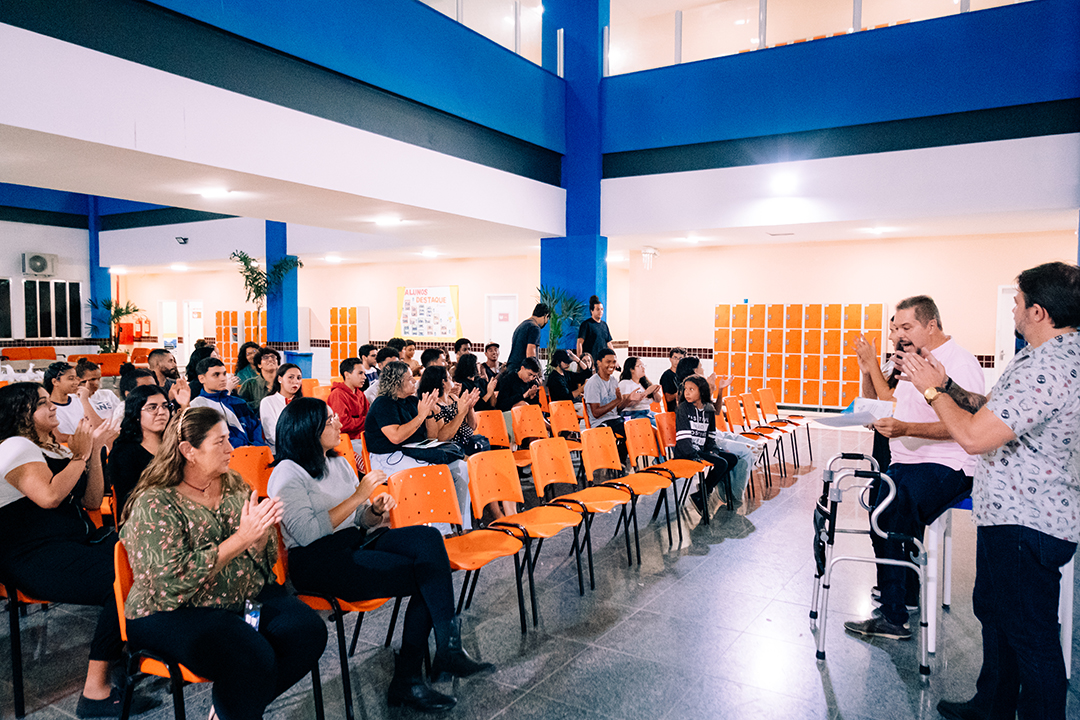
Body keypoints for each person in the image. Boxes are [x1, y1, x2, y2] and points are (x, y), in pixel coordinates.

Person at [903, 263, 1080, 720]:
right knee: (998, 615)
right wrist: (946, 385)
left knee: (1030, 633)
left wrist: (930, 393)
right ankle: (994, 704)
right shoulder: (1047, 356)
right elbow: (993, 412)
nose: (1014, 309)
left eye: (1019, 302)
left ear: (1039, 312)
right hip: (1014, 514)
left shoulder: (1049, 367)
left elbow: (974, 438)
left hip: (1028, 519)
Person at [268, 398, 492, 713]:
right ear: (307, 428)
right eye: (329, 420)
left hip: (355, 540)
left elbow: (359, 518)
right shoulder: (287, 474)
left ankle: (447, 645)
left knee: (427, 539)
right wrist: (360, 495)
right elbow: (308, 535)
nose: (337, 423)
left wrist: (373, 510)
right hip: (318, 560)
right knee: (426, 574)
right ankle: (411, 677)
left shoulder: (338, 462)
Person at [119, 407, 327, 720]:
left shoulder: (233, 483)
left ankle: (235, 707)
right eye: (220, 442)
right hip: (171, 613)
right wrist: (241, 540)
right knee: (249, 654)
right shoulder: (155, 502)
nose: (231, 449)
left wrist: (259, 539)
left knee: (307, 631)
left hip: (237, 598)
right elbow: (168, 584)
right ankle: (239, 706)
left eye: (229, 438)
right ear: (188, 451)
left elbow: (265, 559)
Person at [844, 295, 984, 642]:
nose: (899, 335)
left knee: (895, 506)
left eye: (907, 327)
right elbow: (889, 405)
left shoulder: (959, 363)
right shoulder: (911, 361)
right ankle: (902, 594)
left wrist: (907, 429)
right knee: (877, 505)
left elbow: (966, 423)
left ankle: (894, 617)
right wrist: (870, 370)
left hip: (949, 464)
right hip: (908, 460)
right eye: (897, 328)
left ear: (932, 325)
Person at [0, 383, 137, 718]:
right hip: (31, 555)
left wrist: (93, 454)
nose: (53, 408)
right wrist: (80, 455)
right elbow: (49, 497)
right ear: (22, 414)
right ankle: (95, 692)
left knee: (145, 563)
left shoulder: (56, 447)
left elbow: (91, 500)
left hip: (74, 542)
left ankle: (129, 657)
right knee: (118, 582)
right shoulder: (15, 447)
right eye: (42, 403)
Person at [363, 361, 471, 523]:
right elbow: (396, 437)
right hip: (387, 457)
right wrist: (421, 415)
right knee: (436, 472)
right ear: (397, 382)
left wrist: (428, 414)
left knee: (460, 467)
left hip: (413, 452)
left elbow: (432, 438)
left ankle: (463, 523)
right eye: (409, 379)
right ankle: (440, 530)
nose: (414, 381)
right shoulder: (383, 403)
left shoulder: (412, 402)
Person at [674, 356, 756, 505]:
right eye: (701, 367)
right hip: (692, 448)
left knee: (732, 457)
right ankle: (709, 492)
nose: (704, 370)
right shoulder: (685, 402)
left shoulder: (703, 402)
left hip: (704, 443)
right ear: (694, 371)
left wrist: (719, 389)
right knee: (726, 461)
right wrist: (697, 453)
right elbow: (685, 439)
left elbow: (712, 415)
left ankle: (706, 490)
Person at [675, 375, 739, 515]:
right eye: (685, 389)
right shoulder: (684, 408)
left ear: (702, 391)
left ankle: (703, 491)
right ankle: (702, 494)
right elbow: (683, 439)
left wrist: (713, 450)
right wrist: (694, 454)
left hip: (702, 450)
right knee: (721, 463)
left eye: (691, 389)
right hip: (687, 452)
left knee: (732, 458)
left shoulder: (709, 409)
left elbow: (710, 435)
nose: (687, 393)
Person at [108, 384, 172, 518]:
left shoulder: (174, 444)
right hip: (143, 518)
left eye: (165, 406)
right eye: (152, 407)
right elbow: (131, 498)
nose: (161, 412)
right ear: (136, 413)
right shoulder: (124, 451)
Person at [855, 318, 901, 471]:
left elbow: (889, 400)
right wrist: (867, 373)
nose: (889, 337)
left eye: (893, 330)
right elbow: (872, 400)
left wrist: (872, 363)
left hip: (899, 443)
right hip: (882, 439)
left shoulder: (914, 366)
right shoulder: (892, 363)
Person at [190, 357, 263, 448]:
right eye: (216, 375)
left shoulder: (238, 402)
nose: (223, 378)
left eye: (224, 374)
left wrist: (257, 447)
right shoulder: (198, 406)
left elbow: (256, 427)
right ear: (202, 379)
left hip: (253, 454)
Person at [419, 365, 481, 448]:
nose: (452, 380)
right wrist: (461, 414)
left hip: (471, 442)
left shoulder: (453, 397)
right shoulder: (433, 406)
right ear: (443, 382)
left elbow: (472, 426)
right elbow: (442, 438)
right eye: (449, 377)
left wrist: (469, 408)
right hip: (454, 448)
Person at [583, 349, 640, 437]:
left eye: (614, 362)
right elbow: (596, 413)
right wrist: (616, 401)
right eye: (608, 362)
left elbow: (616, 410)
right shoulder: (593, 383)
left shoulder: (613, 380)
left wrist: (627, 400)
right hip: (600, 424)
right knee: (630, 436)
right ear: (599, 363)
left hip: (615, 420)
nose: (612, 365)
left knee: (637, 431)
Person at [328, 357, 371, 464]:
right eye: (360, 373)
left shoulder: (360, 394)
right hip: (346, 440)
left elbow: (370, 416)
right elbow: (343, 424)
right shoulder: (338, 394)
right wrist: (366, 421)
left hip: (362, 438)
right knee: (368, 461)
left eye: (364, 373)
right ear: (347, 375)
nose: (364, 377)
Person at [259, 362, 304, 453]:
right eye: (291, 377)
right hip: (279, 452)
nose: (296, 381)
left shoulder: (303, 403)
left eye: (299, 378)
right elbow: (272, 435)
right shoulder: (268, 402)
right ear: (280, 379)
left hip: (302, 451)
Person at [75, 357, 120, 427]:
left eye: (99, 379)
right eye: (92, 379)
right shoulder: (75, 400)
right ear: (79, 380)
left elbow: (120, 417)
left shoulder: (108, 394)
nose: (97, 383)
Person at [618, 356, 663, 423]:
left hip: (647, 412)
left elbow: (658, 400)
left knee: (664, 421)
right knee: (656, 426)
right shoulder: (625, 383)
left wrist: (654, 392)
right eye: (639, 366)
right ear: (631, 369)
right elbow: (627, 403)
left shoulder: (644, 384)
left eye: (643, 365)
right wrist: (646, 392)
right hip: (633, 414)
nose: (643, 368)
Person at [506, 304, 549, 372]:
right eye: (547, 319)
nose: (546, 322)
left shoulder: (521, 326)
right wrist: (535, 372)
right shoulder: (534, 328)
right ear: (546, 316)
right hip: (521, 371)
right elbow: (530, 353)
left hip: (511, 368)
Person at [577, 295, 613, 362]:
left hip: (603, 361)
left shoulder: (604, 325)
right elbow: (579, 342)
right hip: (590, 361)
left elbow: (609, 343)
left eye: (602, 309)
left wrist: (614, 357)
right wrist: (580, 360)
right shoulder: (586, 324)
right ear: (592, 311)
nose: (600, 312)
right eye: (598, 309)